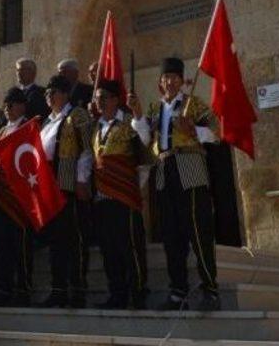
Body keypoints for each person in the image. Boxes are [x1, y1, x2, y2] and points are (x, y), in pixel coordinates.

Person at [139, 56, 221, 311]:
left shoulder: (193, 104)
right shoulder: (155, 109)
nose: (169, 82)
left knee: (198, 232)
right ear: (161, 83)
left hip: (189, 169)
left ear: (181, 81)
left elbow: (218, 132)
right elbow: (145, 139)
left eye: (174, 77)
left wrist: (194, 130)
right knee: (171, 236)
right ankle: (178, 291)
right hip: (164, 170)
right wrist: (137, 116)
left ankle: (210, 290)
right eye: (165, 78)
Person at [91, 80, 149, 309]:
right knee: (109, 249)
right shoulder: (96, 128)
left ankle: (138, 292)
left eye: (104, 97)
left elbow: (144, 142)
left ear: (116, 99)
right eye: (97, 98)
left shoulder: (127, 124)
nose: (100, 101)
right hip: (103, 197)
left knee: (130, 247)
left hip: (124, 196)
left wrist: (137, 112)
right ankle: (117, 293)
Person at [39, 75, 92, 308]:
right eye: (48, 93)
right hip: (50, 188)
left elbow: (87, 150)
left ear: (66, 94)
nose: (50, 96)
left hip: (69, 185)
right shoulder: (46, 122)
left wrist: (82, 180)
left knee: (74, 238)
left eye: (55, 92)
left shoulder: (77, 115)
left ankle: (77, 289)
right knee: (56, 240)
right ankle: (58, 289)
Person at [0, 87, 34, 307]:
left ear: (21, 105)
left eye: (11, 104)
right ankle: (4, 289)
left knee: (20, 245)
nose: (7, 109)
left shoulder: (30, 126)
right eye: (5, 105)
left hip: (20, 195)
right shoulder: (2, 131)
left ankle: (23, 289)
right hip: (1, 195)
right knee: (2, 246)